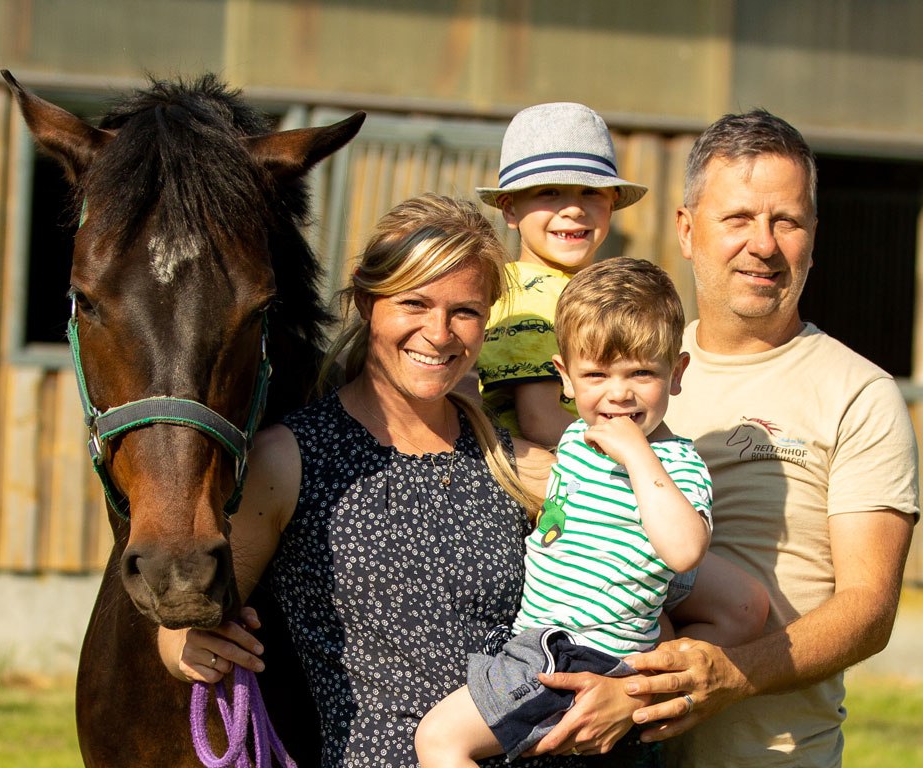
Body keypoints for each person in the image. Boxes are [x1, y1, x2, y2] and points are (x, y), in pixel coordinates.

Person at [156, 194, 639, 768]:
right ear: (366, 301)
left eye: (465, 311)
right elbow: (191, 614)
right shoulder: (287, 459)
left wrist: (627, 694)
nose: (439, 334)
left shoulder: (526, 466)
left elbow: (637, 596)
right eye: (414, 303)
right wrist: (183, 644)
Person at [600, 110, 920, 767]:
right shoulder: (626, 378)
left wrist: (731, 674)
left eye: (787, 221)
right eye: (739, 218)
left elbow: (867, 609)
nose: (764, 244)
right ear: (688, 231)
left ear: (812, 236)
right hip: (614, 751)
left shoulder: (859, 393)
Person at [417, 258, 767, 768]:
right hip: (548, 637)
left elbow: (685, 551)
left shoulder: (675, 465)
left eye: (641, 373)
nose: (618, 393)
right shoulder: (578, 442)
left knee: (440, 741)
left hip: (573, 653)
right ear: (565, 376)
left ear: (677, 373)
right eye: (596, 374)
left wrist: (639, 455)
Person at [475, 102, 647, 447]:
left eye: (591, 192)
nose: (572, 208)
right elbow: (538, 419)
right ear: (510, 208)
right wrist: (633, 456)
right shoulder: (531, 296)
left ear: (612, 203)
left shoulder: (573, 290)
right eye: (549, 192)